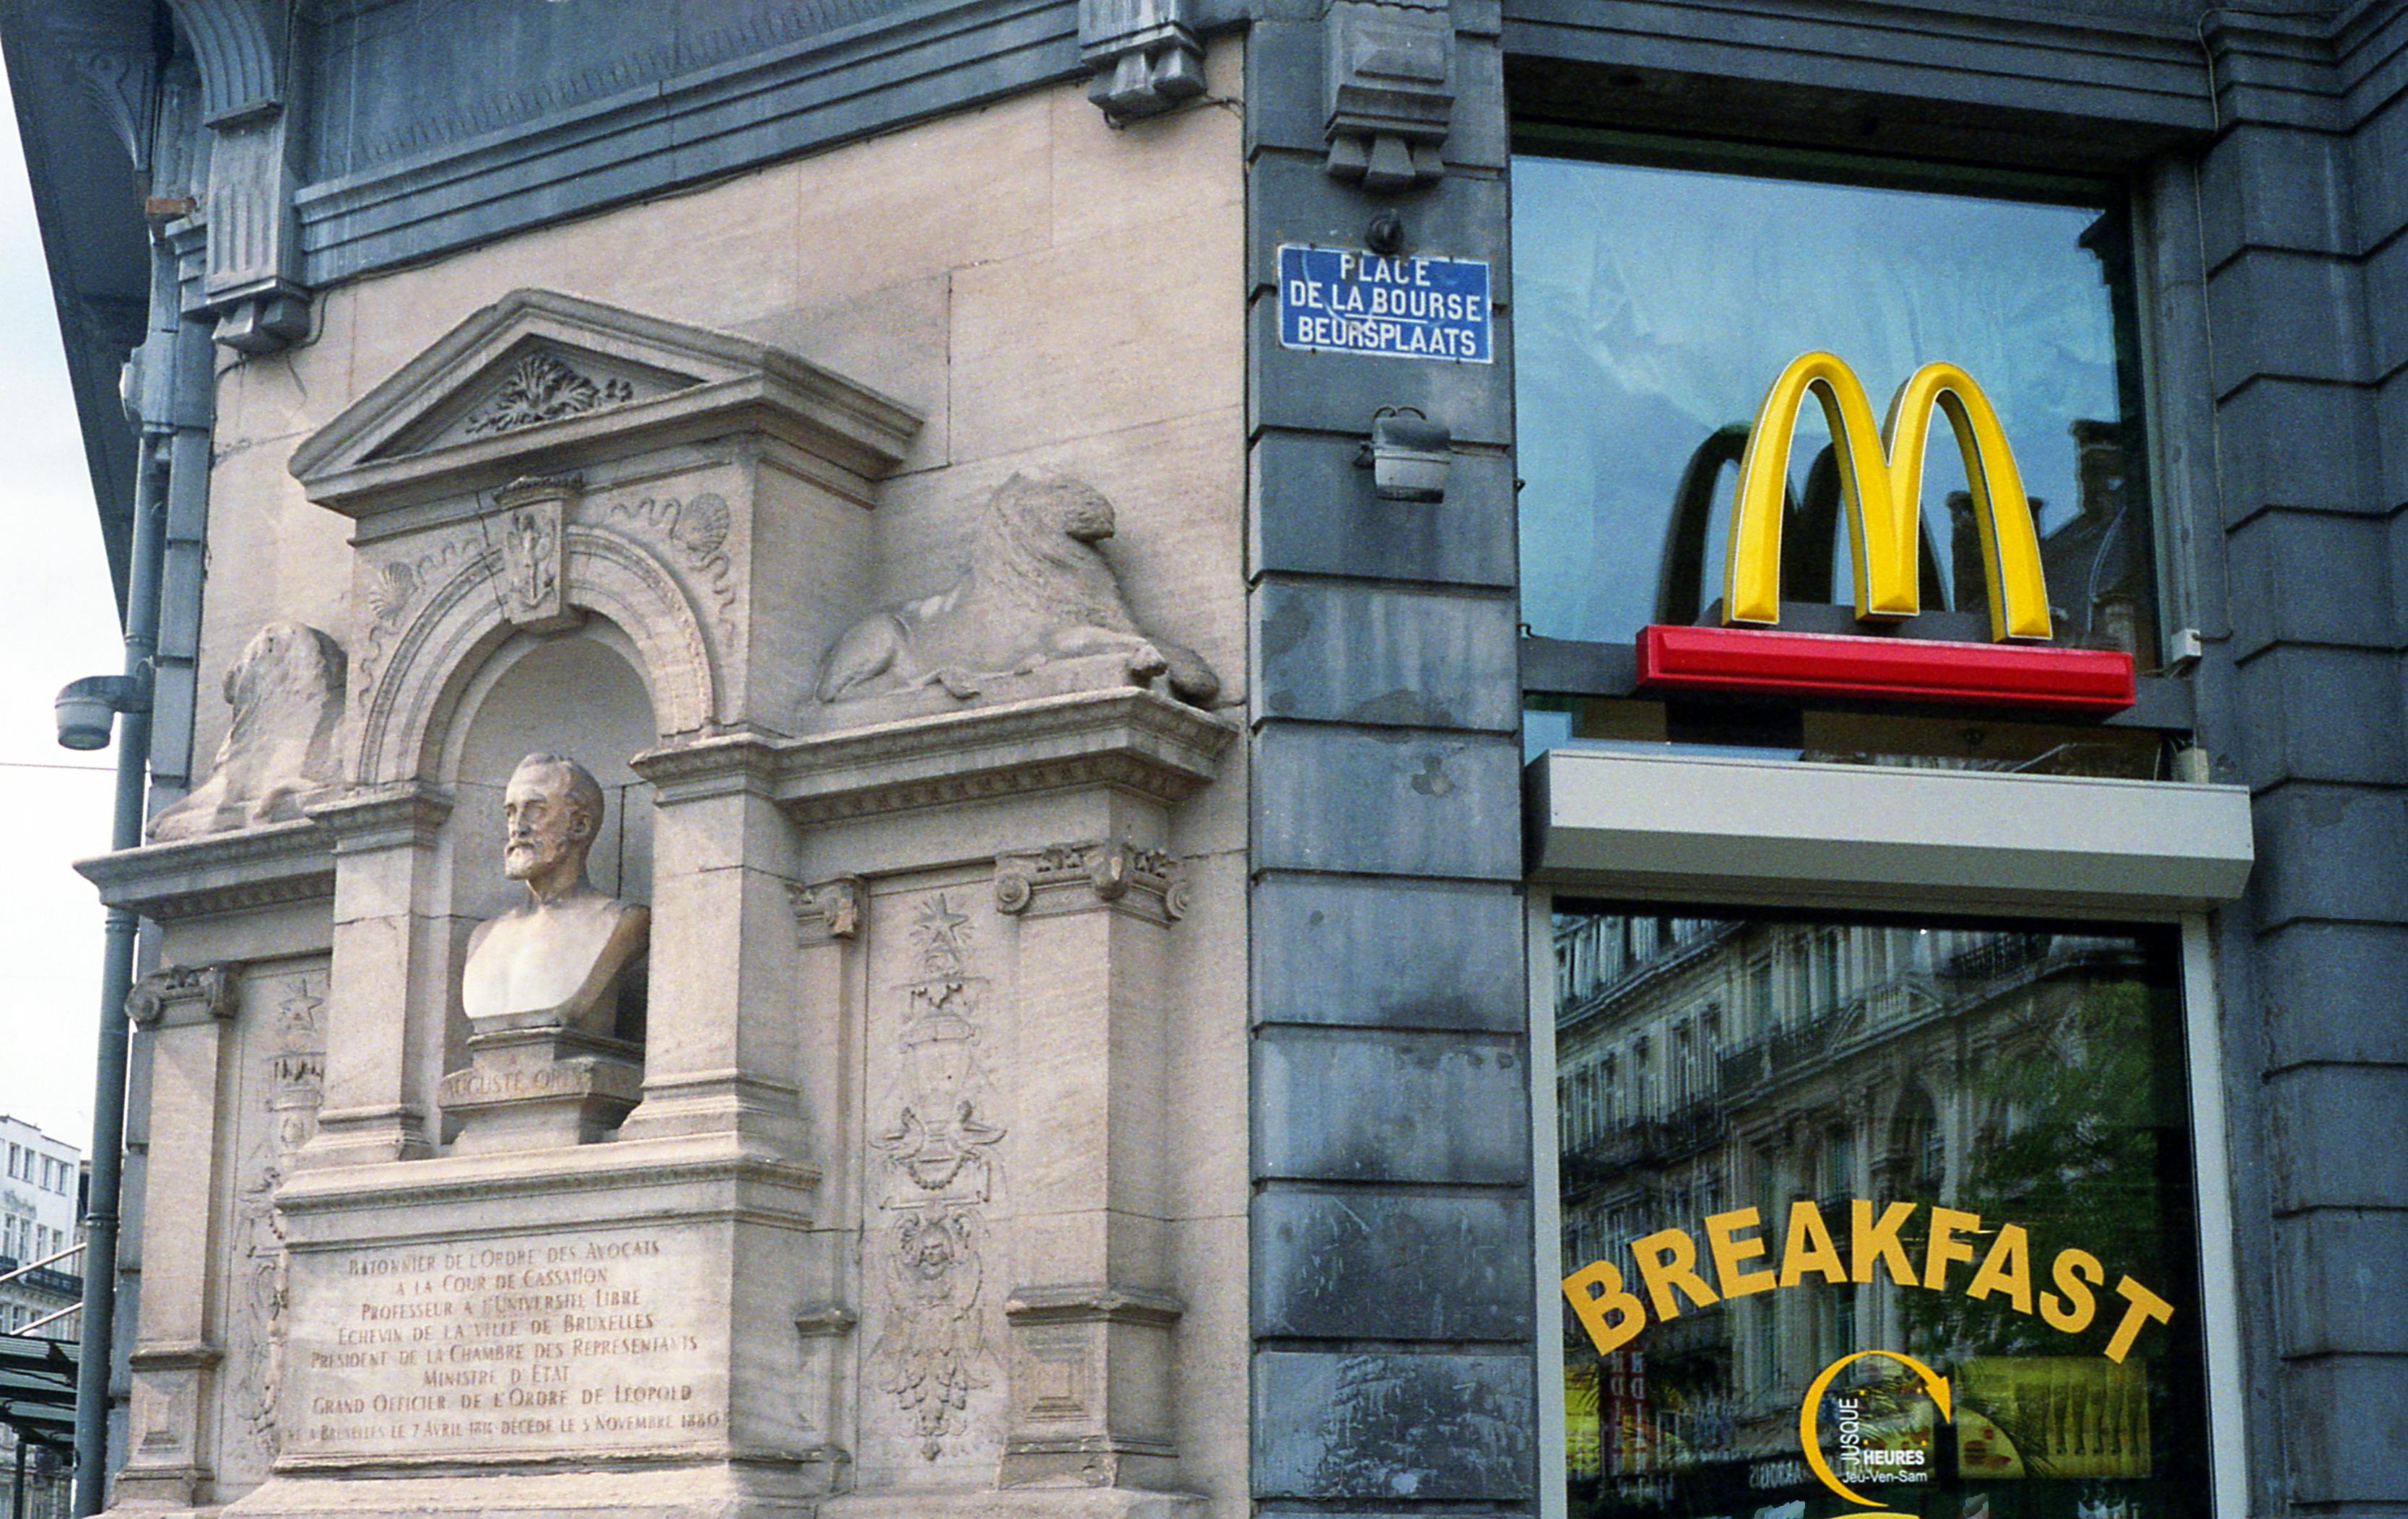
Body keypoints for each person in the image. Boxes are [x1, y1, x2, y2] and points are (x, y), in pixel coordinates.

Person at [460, 752, 648, 1034]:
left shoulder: (624, 922)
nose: (518, 827)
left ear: (580, 826)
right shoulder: (485, 936)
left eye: (535, 810)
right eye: (511, 812)